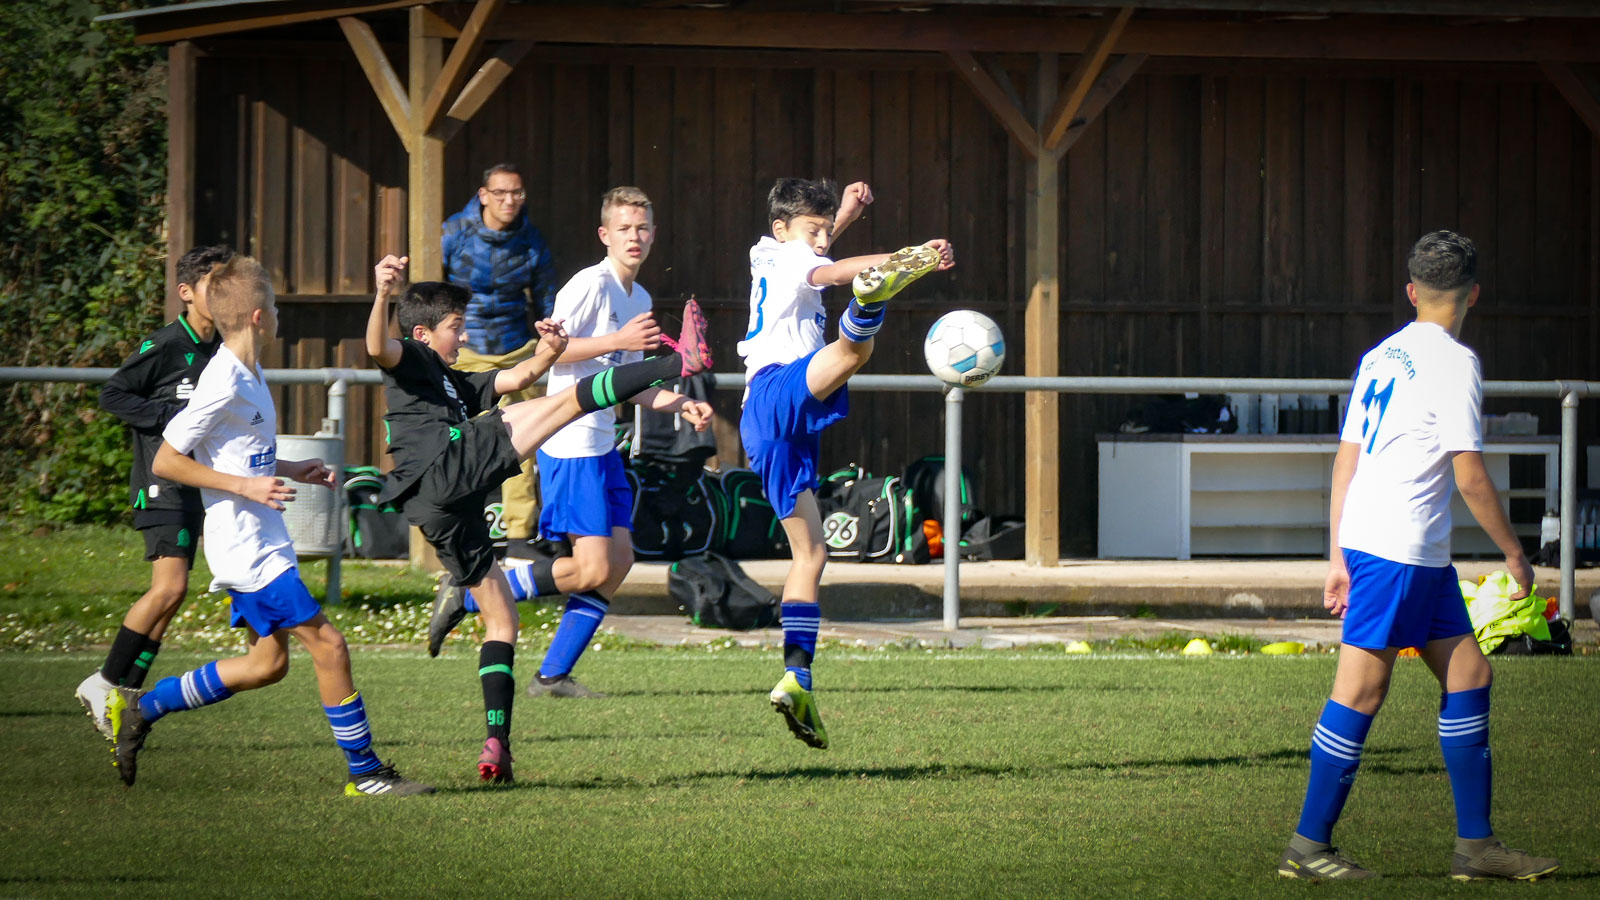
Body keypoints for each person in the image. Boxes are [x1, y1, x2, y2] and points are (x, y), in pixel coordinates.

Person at [1277, 231, 1559, 882]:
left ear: (1412, 291)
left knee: (1470, 678)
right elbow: (1470, 476)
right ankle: (1308, 846)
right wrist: (1516, 553)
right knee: (1362, 690)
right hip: (1397, 551)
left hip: (1407, 555)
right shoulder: (1455, 362)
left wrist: (1335, 554)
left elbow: (1346, 460)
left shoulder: (1380, 355)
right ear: (1474, 295)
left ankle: (1477, 847)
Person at [366, 254, 706, 783]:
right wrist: (383, 294)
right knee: (570, 403)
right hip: (447, 466)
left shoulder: (455, 380)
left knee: (503, 622)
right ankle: (675, 362)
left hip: (443, 509)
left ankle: (496, 744)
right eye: (456, 327)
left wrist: (550, 348)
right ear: (422, 332)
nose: (462, 336)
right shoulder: (410, 357)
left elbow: (521, 375)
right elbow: (375, 347)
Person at [107, 255, 432, 797]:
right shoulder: (222, 380)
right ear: (259, 317)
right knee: (329, 646)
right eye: (276, 306)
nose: (281, 313)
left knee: (267, 664)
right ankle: (366, 773)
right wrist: (246, 488)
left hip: (264, 539)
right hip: (247, 548)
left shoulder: (249, 371)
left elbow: (236, 453)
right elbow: (167, 460)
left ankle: (145, 706)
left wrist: (287, 469)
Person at [427, 187, 713, 697]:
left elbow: (626, 380)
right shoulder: (589, 284)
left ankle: (552, 675)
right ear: (605, 235)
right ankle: (471, 594)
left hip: (604, 446)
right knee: (592, 568)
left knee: (618, 562)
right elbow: (549, 352)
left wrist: (677, 402)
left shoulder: (640, 299)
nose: (635, 236)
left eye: (642, 228)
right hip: (570, 442)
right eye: (624, 228)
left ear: (653, 235)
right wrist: (617, 341)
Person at [737, 177, 953, 749]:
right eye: (814, 229)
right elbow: (826, 268)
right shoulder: (790, 260)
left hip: (768, 427)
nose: (821, 239)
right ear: (783, 230)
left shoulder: (774, 250)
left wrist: (844, 217)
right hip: (776, 390)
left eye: (824, 231)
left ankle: (797, 678)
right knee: (856, 347)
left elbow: (818, 251)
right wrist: (911, 259)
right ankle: (869, 303)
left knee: (811, 552)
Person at [76, 245, 233, 740]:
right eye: (212, 284)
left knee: (176, 594)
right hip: (160, 479)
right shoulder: (167, 344)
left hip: (196, 481)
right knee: (168, 587)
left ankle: (127, 694)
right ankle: (101, 682)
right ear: (186, 293)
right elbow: (113, 394)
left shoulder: (225, 349)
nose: (222, 293)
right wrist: (172, 420)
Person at [441, 162, 559, 547]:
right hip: (465, 349)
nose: (510, 201)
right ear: (483, 195)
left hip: (516, 349)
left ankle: (521, 537)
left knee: (522, 442)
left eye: (517, 193)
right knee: (460, 441)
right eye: (501, 193)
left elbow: (546, 302)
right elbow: (429, 290)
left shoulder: (532, 241)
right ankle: (457, 529)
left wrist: (549, 347)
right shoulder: (453, 233)